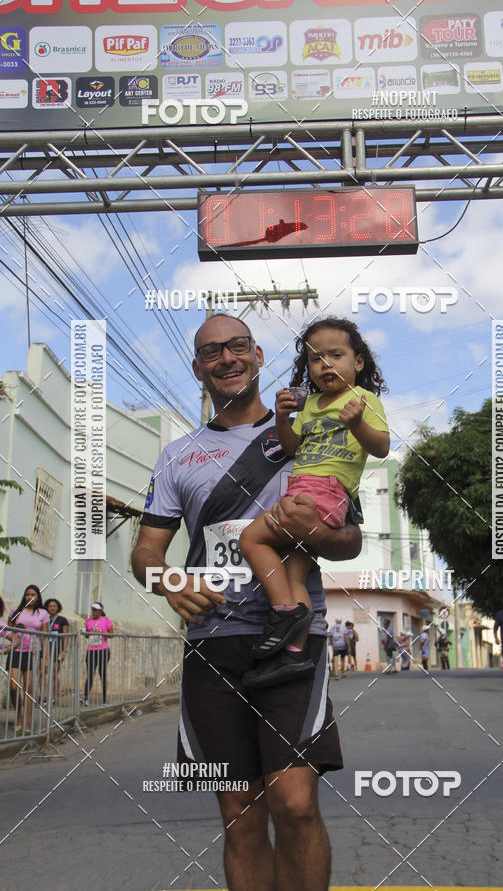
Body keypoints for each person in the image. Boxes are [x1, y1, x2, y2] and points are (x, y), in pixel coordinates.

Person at [131, 313, 362, 891]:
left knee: (295, 801)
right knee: (240, 815)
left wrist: (315, 532)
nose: (226, 359)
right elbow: (146, 555)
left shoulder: (313, 434)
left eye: (237, 347)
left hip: (291, 640)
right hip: (214, 645)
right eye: (212, 352)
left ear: (259, 356)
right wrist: (170, 583)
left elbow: (349, 540)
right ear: (197, 369)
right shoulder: (176, 457)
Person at [239, 317, 389, 688]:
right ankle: (294, 655)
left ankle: (285, 612)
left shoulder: (364, 400)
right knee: (294, 573)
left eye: (336, 355)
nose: (325, 364)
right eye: (316, 359)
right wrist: (282, 417)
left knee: (250, 539)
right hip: (303, 487)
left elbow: (382, 447)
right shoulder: (312, 405)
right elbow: (291, 449)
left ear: (358, 362)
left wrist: (357, 425)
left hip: (323, 492)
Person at [7, 585, 49, 732]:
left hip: (33, 652)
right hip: (17, 651)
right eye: (27, 594)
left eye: (33, 594)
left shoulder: (42, 613)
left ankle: (25, 722)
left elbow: (44, 637)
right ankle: (19, 714)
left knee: (29, 688)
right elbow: (9, 629)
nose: (29, 597)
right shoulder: (16, 611)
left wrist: (45, 658)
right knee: (13, 687)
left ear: (37, 597)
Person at [82, 602, 113, 706]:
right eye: (93, 610)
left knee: (102, 673)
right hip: (91, 650)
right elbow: (86, 635)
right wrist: (86, 633)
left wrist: (103, 633)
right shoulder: (89, 621)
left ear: (100, 611)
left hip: (103, 649)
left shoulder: (106, 620)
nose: (94, 612)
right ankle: (85, 697)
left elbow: (111, 633)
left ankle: (104, 699)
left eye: (96, 610)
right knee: (90, 673)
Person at [43, 598, 69, 704]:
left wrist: (64, 650)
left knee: (53, 673)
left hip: (57, 649)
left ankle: (54, 697)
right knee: (43, 673)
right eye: (50, 606)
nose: (52, 608)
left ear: (58, 607)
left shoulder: (62, 620)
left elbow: (65, 636)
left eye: (54, 606)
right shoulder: (45, 620)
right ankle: (44, 696)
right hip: (46, 649)